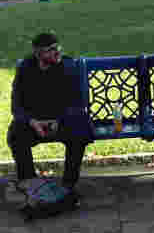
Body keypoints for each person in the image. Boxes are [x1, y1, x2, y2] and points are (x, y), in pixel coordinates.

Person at [8, 32, 91, 218]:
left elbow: (78, 103)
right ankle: (31, 185)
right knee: (16, 135)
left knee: (80, 131)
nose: (57, 52)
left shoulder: (68, 66)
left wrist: (58, 121)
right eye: (50, 50)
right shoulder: (25, 68)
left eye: (57, 47)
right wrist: (32, 122)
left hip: (61, 121)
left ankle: (68, 185)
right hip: (34, 123)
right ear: (38, 53)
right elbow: (16, 105)